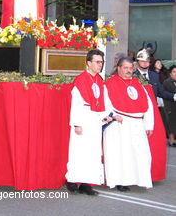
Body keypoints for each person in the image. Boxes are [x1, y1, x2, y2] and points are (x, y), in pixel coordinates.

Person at [65, 49, 120, 195]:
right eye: (97, 62)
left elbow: (105, 100)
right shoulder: (81, 80)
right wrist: (77, 123)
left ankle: (86, 182)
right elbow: (76, 103)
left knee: (93, 152)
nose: (100, 65)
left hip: (95, 120)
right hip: (83, 119)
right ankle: (71, 180)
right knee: (79, 151)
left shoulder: (99, 80)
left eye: (101, 62)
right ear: (88, 63)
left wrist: (109, 114)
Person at [104, 56, 154, 191]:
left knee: (139, 154)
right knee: (122, 154)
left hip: (137, 125)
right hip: (120, 124)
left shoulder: (137, 84)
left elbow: (148, 105)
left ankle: (137, 179)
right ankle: (121, 181)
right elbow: (105, 103)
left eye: (130, 68)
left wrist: (149, 124)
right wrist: (113, 115)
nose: (128, 71)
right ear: (118, 68)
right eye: (125, 68)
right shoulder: (110, 84)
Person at [163, 65, 176, 147]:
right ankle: (171, 141)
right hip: (170, 105)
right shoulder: (166, 82)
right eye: (174, 72)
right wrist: (167, 108)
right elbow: (164, 95)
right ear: (170, 73)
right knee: (171, 124)